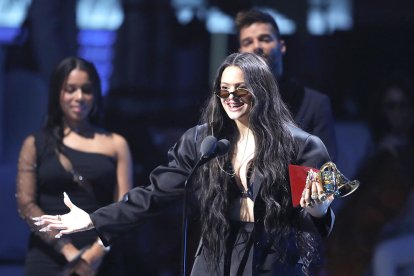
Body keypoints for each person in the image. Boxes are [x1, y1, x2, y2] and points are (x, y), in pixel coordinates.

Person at [34, 53, 334, 275]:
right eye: (224, 89)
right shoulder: (202, 141)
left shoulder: (302, 145)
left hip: (273, 259)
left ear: (261, 90)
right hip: (215, 257)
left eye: (240, 89)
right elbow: (154, 194)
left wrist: (319, 210)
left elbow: (318, 220)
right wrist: (95, 220)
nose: (231, 97)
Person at [16, 57, 133, 275]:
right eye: (70, 89)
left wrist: (96, 252)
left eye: (86, 90)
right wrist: (68, 250)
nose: (79, 97)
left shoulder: (116, 144)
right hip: (48, 255)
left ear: (96, 94)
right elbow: (26, 205)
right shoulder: (34, 144)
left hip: (101, 258)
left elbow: (125, 207)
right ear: (57, 93)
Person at [324, 73, 414, 275]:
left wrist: (402, 154)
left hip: (408, 226)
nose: (398, 113)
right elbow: (363, 190)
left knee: (384, 253)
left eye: (404, 105)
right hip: (392, 225)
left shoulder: (403, 151)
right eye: (391, 106)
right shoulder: (381, 147)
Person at [235, 9, 338, 162]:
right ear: (240, 52)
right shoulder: (231, 104)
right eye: (248, 42)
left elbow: (324, 172)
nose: (256, 46)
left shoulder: (314, 104)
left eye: (264, 38)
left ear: (281, 46)